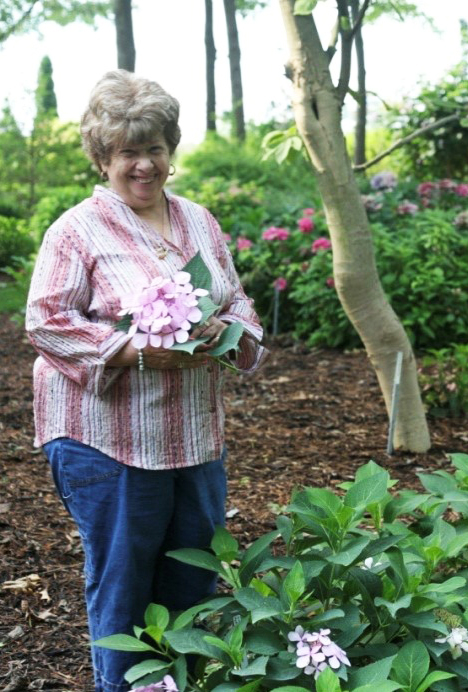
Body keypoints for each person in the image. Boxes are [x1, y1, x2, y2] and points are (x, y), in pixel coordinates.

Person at [25, 69, 267, 692]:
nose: (144, 165)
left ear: (171, 151)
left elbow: (238, 303)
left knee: (192, 583)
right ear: (103, 159)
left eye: (154, 149)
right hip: (109, 442)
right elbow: (45, 321)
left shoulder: (199, 221)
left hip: (193, 436)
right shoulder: (76, 230)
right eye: (129, 152)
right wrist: (131, 349)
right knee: (126, 588)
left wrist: (227, 334)